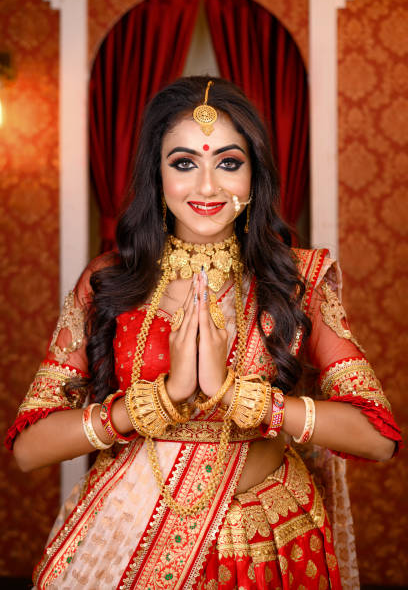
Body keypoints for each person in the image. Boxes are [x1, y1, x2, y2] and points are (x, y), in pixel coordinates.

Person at [6, 77, 401, 590]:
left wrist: (241, 397)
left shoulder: (296, 280)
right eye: (185, 163)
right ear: (157, 175)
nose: (208, 186)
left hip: (269, 541)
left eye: (229, 162)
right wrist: (153, 403)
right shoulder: (110, 280)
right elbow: (29, 447)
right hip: (130, 532)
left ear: (255, 175)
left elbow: (377, 438)